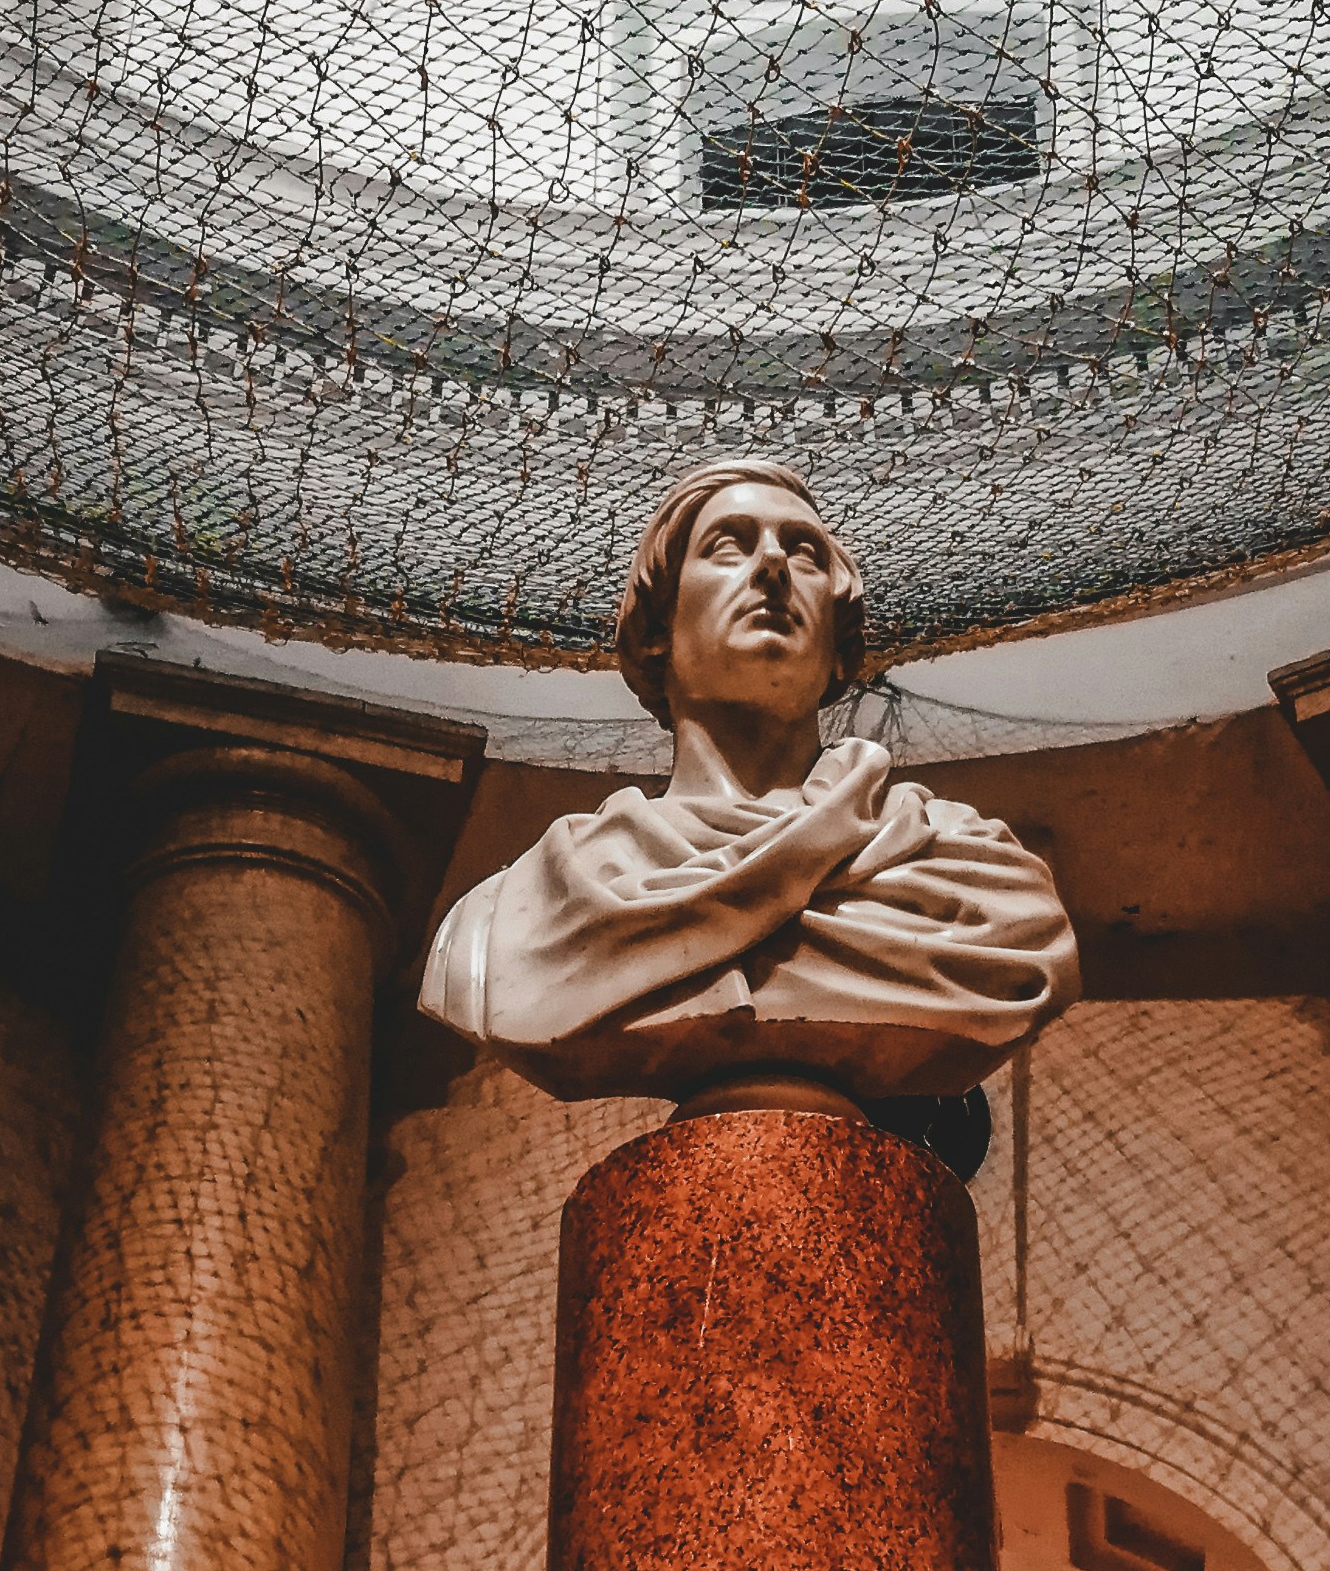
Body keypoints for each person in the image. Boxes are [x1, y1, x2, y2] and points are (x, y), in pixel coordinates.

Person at [419, 459, 1077, 1122]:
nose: (773, 567)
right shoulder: (526, 913)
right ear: (655, 637)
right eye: (727, 547)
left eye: (805, 553)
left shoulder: (977, 876)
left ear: (842, 647)